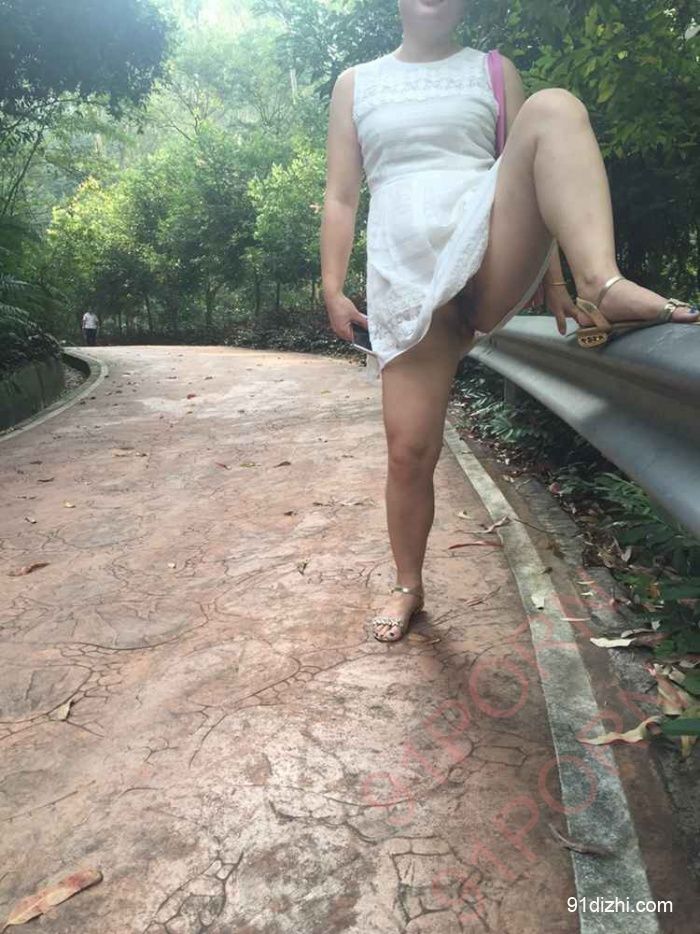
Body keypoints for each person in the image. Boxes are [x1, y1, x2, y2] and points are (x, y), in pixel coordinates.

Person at [320, 0, 700, 643]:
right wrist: (332, 287)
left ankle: (602, 281)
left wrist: (554, 283)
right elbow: (341, 194)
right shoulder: (356, 83)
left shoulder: (494, 71)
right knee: (409, 452)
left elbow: (531, 178)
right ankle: (408, 586)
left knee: (553, 109)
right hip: (407, 282)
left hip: (488, 254)